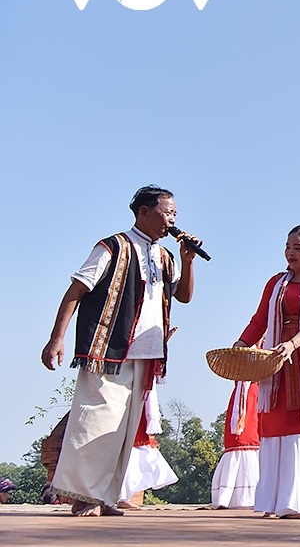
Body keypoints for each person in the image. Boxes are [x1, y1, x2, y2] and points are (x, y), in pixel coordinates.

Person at [40, 185, 200, 517]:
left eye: (175, 214)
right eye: (167, 212)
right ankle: (83, 496)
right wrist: (57, 338)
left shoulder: (165, 256)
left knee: (124, 430)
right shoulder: (112, 247)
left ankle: (106, 496)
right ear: (143, 212)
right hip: (108, 351)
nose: (172, 220)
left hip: (146, 354)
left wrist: (188, 262)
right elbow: (76, 291)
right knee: (95, 421)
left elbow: (184, 297)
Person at [233, 225, 300, 519]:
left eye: (298, 248)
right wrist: (241, 343)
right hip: (276, 356)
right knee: (275, 423)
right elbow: (260, 320)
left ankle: (297, 502)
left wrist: (292, 344)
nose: (290, 253)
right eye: (287, 247)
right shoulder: (276, 283)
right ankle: (273, 501)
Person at [117, 382, 179, 509]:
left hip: (139, 390)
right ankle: (121, 496)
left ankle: (123, 496)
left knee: (135, 447)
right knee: (131, 445)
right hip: (126, 391)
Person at [210, 382, 260, 509]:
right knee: (239, 439)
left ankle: (254, 495)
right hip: (242, 395)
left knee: (253, 435)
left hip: (256, 393)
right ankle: (231, 496)